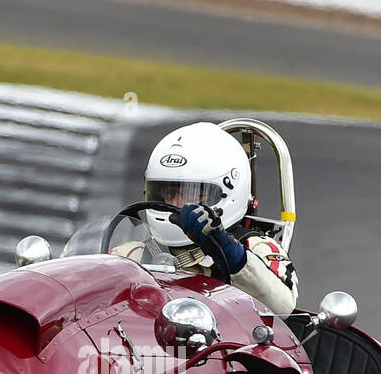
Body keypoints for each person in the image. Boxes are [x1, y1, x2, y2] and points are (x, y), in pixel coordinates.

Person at [120, 122, 299, 316]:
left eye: (192, 194)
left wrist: (229, 252)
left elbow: (283, 306)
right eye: (169, 192)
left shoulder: (256, 247)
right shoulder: (132, 253)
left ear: (228, 192)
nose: (177, 203)